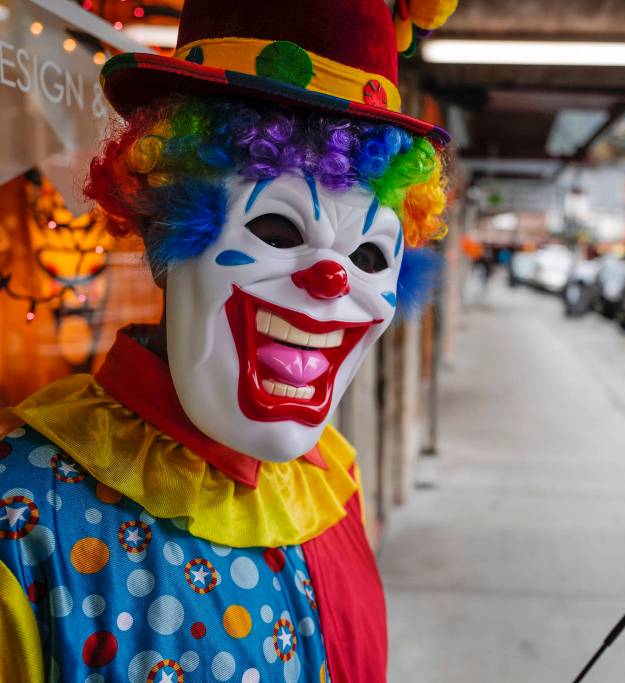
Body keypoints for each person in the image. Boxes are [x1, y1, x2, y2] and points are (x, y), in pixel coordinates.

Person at [0, 0, 456, 681]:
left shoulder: (331, 477)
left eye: (369, 256)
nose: (331, 281)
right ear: (163, 237)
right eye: (276, 230)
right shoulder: (23, 522)